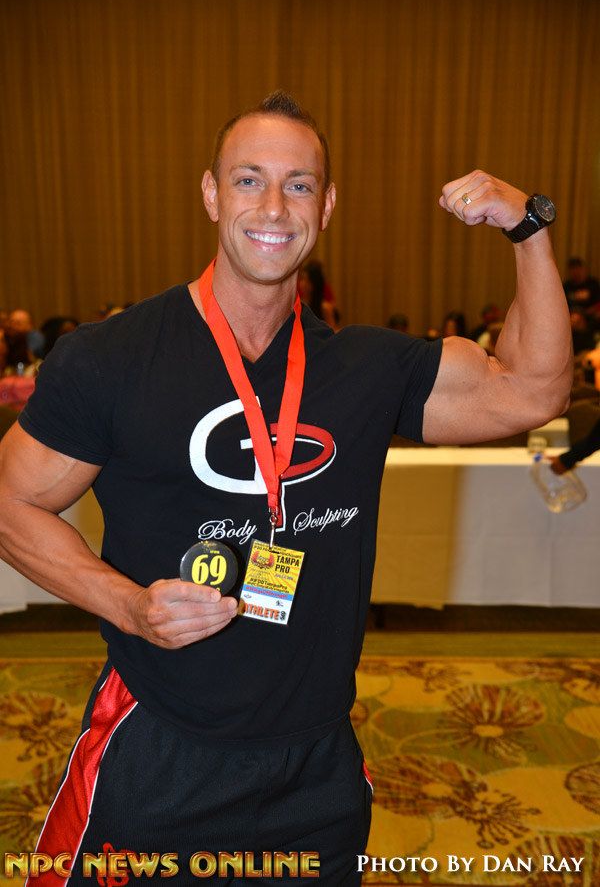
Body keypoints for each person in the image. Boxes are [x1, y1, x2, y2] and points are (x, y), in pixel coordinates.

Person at [0, 91, 572, 884]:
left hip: (314, 767)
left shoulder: (365, 369)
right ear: (211, 193)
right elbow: (12, 505)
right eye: (249, 180)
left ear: (326, 206)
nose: (274, 206)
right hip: (159, 749)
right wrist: (125, 605)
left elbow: (532, 391)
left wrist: (528, 229)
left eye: (299, 185)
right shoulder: (114, 359)